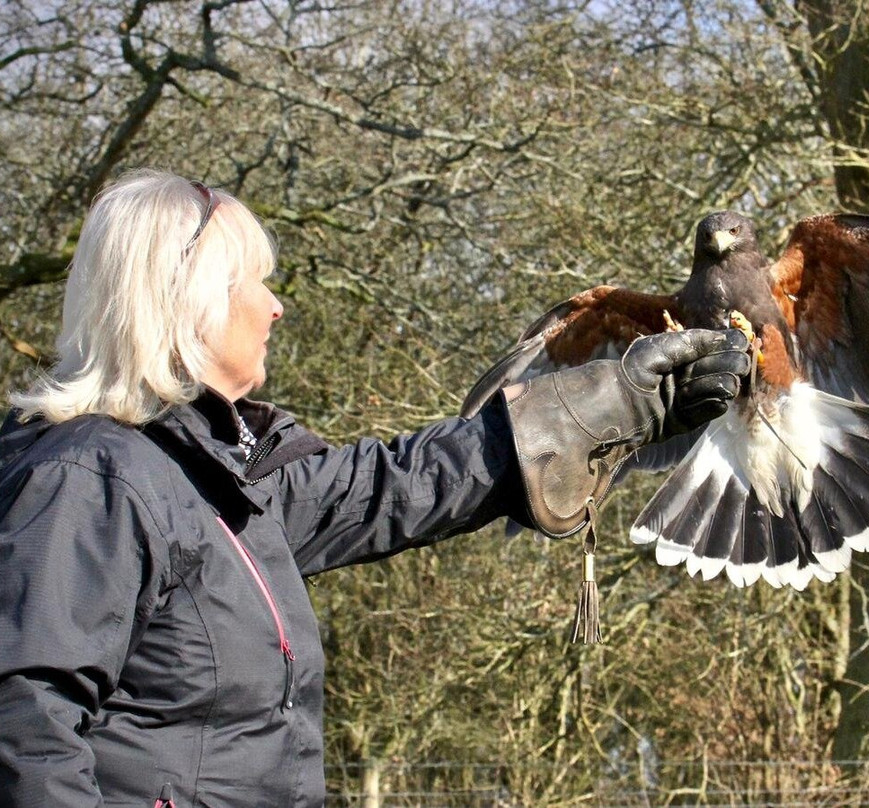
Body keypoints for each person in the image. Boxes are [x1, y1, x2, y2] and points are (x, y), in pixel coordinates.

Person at [0, 169, 750, 806]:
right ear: (188, 298)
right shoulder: (89, 482)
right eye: (254, 282)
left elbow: (387, 488)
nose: (275, 304)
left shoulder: (214, 478)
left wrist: (616, 404)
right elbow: (23, 728)